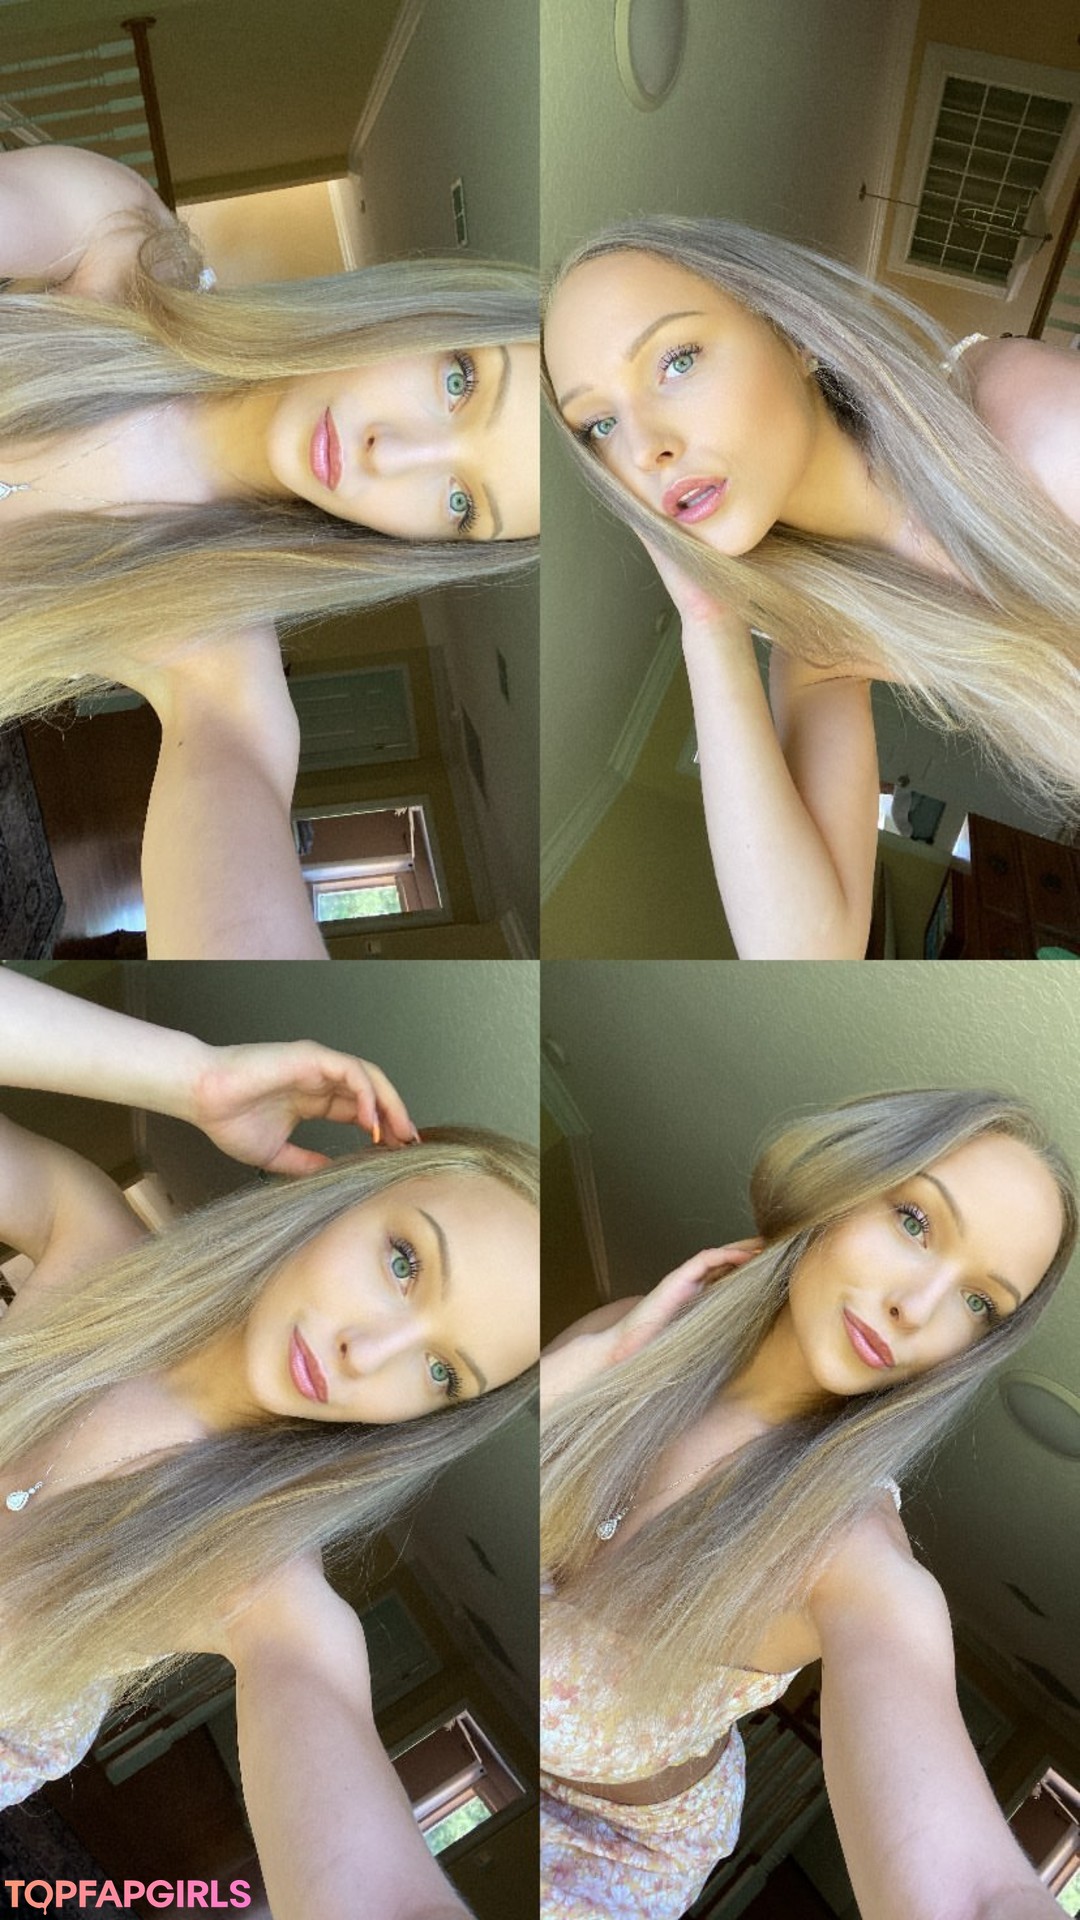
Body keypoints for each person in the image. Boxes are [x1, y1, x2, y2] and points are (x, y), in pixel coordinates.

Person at [0, 972, 540, 1920]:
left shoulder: (262, 1585)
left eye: (442, 1371)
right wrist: (191, 1077)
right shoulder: (89, 1248)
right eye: (404, 1262)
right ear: (346, 1190)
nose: (368, 1353)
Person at [540, 1088, 1076, 1920]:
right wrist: (571, 1381)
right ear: (842, 1183)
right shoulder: (628, 1337)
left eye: (978, 1303)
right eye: (916, 1221)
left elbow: (975, 1895)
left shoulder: (852, 1552)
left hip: (611, 1850)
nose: (916, 1309)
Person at [0, 143, 540, 958]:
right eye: (459, 382)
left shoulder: (223, 673)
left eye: (461, 502)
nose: (390, 454)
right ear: (427, 314)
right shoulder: (118, 239)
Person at [542, 218, 1080, 957]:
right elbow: (803, 949)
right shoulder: (821, 646)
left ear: (795, 334)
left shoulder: (1013, 413)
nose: (643, 450)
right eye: (599, 425)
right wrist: (708, 621)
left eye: (676, 360)